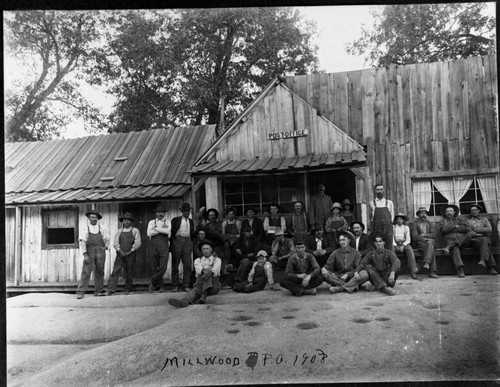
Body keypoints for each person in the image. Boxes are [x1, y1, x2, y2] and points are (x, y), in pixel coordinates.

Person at [168, 240, 222, 307]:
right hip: (200, 284)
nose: (205, 250)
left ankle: (204, 295)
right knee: (194, 291)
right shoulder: (197, 260)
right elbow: (199, 270)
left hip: (213, 286)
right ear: (201, 251)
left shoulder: (217, 260)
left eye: (207, 249)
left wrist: (207, 273)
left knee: (208, 274)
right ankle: (185, 301)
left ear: (211, 250)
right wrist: (205, 272)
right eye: (204, 249)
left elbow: (215, 270)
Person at [76, 209, 110, 299]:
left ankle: (98, 291)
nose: (93, 219)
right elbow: (82, 242)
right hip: (89, 251)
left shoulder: (102, 228)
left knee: (100, 271)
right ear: (89, 218)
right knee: (86, 271)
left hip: (100, 252)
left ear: (98, 218)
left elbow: (107, 239)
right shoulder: (85, 228)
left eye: (95, 217)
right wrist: (85, 254)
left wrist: (105, 247)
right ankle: (81, 292)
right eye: (92, 217)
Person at [107, 212, 141, 296]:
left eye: (128, 220)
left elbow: (138, 242)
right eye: (125, 220)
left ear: (131, 221)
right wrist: (120, 251)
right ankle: (110, 289)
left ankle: (128, 289)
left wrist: (131, 250)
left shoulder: (135, 230)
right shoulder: (119, 231)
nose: (126, 222)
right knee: (116, 270)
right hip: (120, 254)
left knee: (129, 271)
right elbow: (115, 243)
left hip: (131, 254)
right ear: (122, 221)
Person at [438, 204, 472, 278]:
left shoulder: (460, 220)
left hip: (463, 242)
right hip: (450, 240)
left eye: (450, 211)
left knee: (469, 234)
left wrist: (450, 229)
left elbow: (466, 229)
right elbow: (444, 230)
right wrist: (455, 226)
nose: (449, 213)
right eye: (447, 211)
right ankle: (460, 269)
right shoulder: (443, 222)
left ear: (454, 212)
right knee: (455, 248)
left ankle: (449, 246)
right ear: (445, 213)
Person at [465, 204, 498, 275]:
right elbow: (470, 233)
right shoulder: (468, 221)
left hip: (485, 240)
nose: (473, 212)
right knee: (486, 242)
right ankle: (491, 267)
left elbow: (489, 229)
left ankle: (483, 260)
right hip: (474, 241)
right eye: (472, 210)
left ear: (479, 211)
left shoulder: (485, 219)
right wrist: (483, 233)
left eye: (475, 210)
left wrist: (477, 230)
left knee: (485, 242)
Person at [170, 203, 195, 292]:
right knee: (175, 264)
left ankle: (186, 285)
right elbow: (171, 232)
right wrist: (173, 242)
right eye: (185, 211)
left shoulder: (191, 221)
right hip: (178, 240)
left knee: (188, 264)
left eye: (188, 211)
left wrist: (190, 243)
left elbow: (192, 233)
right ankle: (175, 285)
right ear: (182, 211)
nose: (186, 213)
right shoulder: (175, 220)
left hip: (187, 241)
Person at [147, 204, 171, 292]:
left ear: (164, 213)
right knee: (154, 266)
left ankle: (152, 281)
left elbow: (167, 231)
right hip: (153, 246)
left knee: (163, 266)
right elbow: (149, 233)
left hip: (164, 246)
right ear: (156, 213)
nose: (160, 214)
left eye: (162, 212)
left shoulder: (167, 222)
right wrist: (161, 229)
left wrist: (156, 229)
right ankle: (160, 286)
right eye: (158, 212)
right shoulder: (151, 222)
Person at [409, 207, 439, 279]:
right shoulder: (414, 224)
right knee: (430, 247)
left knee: (430, 244)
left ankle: (426, 262)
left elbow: (434, 235)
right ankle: (432, 271)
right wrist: (425, 239)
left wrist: (425, 235)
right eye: (421, 213)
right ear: (418, 215)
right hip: (420, 243)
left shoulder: (430, 223)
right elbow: (415, 237)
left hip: (429, 242)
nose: (423, 215)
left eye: (425, 213)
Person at [393, 212, 419, 280]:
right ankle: (393, 270)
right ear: (396, 220)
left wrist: (403, 246)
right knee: (391, 251)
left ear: (403, 220)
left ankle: (413, 270)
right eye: (398, 219)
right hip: (395, 243)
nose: (399, 220)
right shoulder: (393, 227)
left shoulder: (406, 227)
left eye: (401, 219)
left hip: (404, 243)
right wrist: (395, 245)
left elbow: (408, 239)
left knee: (410, 250)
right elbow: (392, 238)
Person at [369, 184, 395, 248]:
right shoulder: (371, 203)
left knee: (388, 245)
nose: (379, 191)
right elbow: (371, 217)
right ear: (375, 191)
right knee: (378, 245)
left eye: (381, 189)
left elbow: (392, 216)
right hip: (377, 227)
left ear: (383, 191)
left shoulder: (389, 203)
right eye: (377, 190)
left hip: (388, 227)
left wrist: (389, 225)